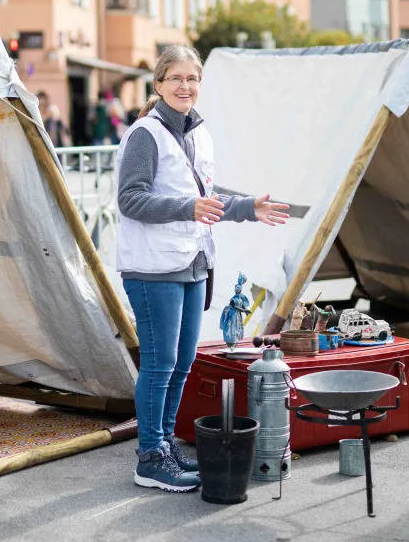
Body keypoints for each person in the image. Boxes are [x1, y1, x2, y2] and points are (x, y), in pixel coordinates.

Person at [114, 45, 290, 492]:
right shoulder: (145, 135)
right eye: (175, 78)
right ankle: (149, 457)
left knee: (183, 362)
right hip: (153, 267)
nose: (185, 86)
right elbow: (130, 199)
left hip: (193, 263)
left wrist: (248, 208)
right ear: (158, 84)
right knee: (160, 363)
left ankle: (165, 444)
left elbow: (205, 200)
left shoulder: (199, 133)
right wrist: (187, 207)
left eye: (192, 78)